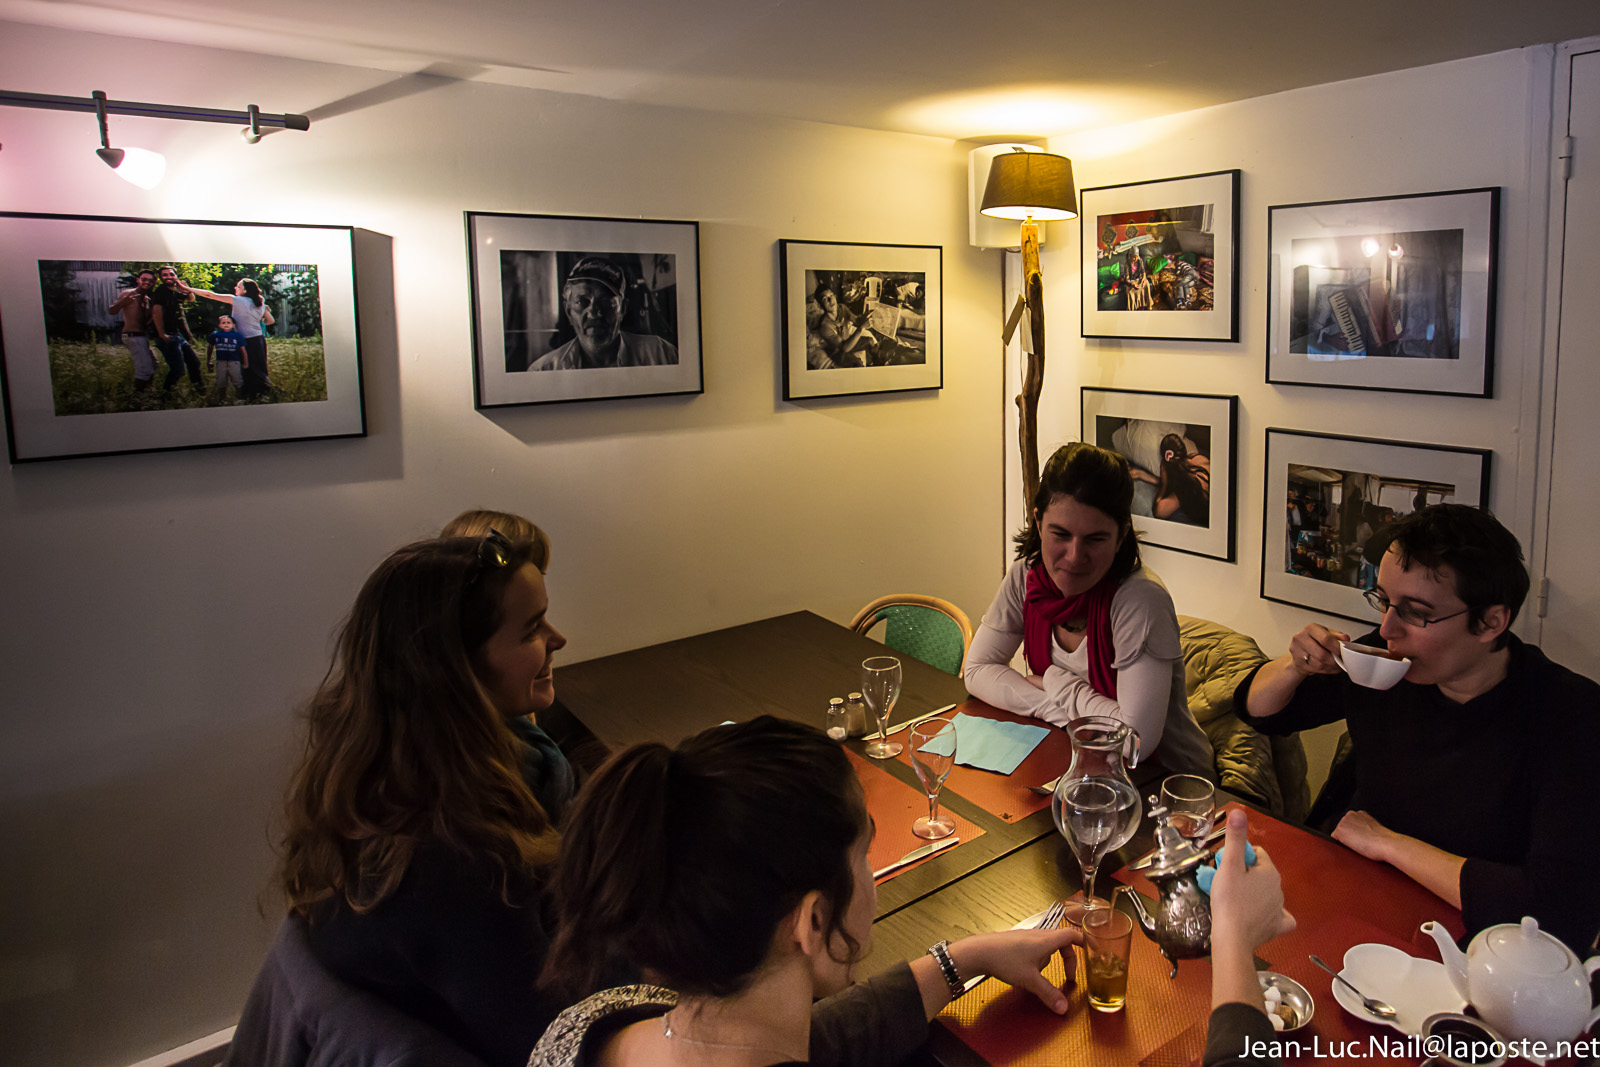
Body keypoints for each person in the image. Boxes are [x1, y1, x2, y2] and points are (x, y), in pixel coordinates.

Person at [532, 718, 1292, 1067]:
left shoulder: (600, 1021)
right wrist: (1232, 939)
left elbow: (810, 1039)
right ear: (813, 920)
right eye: (865, 853)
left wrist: (965, 957)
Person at [266, 530, 575, 1066]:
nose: (558, 638)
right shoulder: (457, 861)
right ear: (454, 672)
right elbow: (556, 1044)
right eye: (531, 629)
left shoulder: (382, 782)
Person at [1234, 504, 1600, 953]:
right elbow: (1261, 712)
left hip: (1480, 944)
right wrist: (1296, 665)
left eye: (1416, 612)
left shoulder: (1571, 717)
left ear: (1491, 622)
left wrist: (1390, 845)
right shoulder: (1388, 665)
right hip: (1357, 894)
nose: (1387, 628)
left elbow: (1558, 909)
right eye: (1384, 600)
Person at [964, 442, 1215, 779]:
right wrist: (1058, 710)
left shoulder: (1141, 599)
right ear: (1038, 522)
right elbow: (977, 670)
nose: (1074, 556)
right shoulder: (1026, 576)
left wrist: (1055, 681)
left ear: (1121, 535)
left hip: (1169, 782)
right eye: (1060, 534)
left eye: (1095, 539)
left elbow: (1134, 742)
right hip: (1078, 761)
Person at [528, 257, 678, 371]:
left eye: (606, 302)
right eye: (582, 302)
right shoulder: (543, 370)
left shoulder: (661, 355)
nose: (594, 313)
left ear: (623, 309)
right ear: (568, 312)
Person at [185, 278, 275, 398]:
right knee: (259, 368)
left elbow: (209, 295)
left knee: (248, 369)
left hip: (247, 340)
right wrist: (258, 321)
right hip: (258, 339)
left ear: (245, 291)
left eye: (238, 286)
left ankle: (257, 394)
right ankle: (261, 394)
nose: (235, 288)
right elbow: (270, 321)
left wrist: (187, 288)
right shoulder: (259, 302)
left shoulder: (238, 300)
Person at [1131, 432, 1211, 524]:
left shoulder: (1183, 488)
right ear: (1184, 449)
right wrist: (1142, 475)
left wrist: (1164, 484)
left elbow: (1159, 512)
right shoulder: (1197, 457)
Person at [151, 265, 204, 395]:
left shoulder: (174, 292)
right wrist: (161, 334)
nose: (168, 277)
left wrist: (186, 289)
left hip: (177, 335)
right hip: (167, 336)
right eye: (165, 275)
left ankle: (200, 392)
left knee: (194, 363)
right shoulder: (160, 291)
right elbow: (156, 312)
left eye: (171, 274)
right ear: (160, 278)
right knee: (178, 370)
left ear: (176, 276)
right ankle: (165, 397)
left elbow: (191, 299)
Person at [107, 269, 157, 394]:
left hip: (142, 337)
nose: (147, 282)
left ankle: (147, 394)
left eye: (150, 280)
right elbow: (112, 311)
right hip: (133, 336)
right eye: (144, 279)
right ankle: (138, 398)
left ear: (154, 283)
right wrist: (122, 303)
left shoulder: (148, 299)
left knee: (153, 365)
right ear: (138, 280)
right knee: (144, 370)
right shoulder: (129, 293)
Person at [813, 285, 873, 368]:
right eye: (825, 299)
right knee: (858, 365)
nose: (830, 300)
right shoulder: (824, 326)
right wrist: (861, 328)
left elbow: (856, 321)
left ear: (835, 296)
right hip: (839, 352)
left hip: (848, 340)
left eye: (831, 295)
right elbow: (845, 348)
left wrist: (865, 316)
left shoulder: (841, 308)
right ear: (820, 305)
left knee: (871, 341)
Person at [206, 314, 247, 403]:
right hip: (221, 361)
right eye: (223, 323)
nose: (226, 324)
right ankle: (222, 399)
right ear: (219, 325)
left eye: (228, 322)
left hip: (234, 362)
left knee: (237, 380)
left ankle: (239, 398)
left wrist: (245, 362)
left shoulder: (237, 336)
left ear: (233, 325)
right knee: (221, 381)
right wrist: (209, 360)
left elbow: (243, 350)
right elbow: (210, 347)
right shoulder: (216, 335)